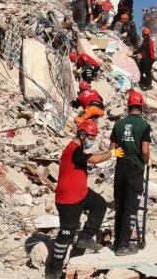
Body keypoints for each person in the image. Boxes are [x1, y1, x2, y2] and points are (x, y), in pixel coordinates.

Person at [45, 119, 117, 279]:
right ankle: (54, 270)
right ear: (82, 135)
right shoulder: (74, 150)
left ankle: (85, 238)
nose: (92, 141)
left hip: (81, 193)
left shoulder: (77, 149)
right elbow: (94, 160)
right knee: (66, 234)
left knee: (99, 205)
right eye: (90, 138)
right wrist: (112, 154)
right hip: (68, 199)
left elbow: (93, 158)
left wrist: (111, 149)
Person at [110, 90, 151, 256]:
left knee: (120, 205)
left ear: (128, 106)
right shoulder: (144, 126)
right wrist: (147, 160)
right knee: (131, 208)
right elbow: (145, 150)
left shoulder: (118, 124)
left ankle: (117, 242)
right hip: (135, 169)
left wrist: (122, 152)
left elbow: (112, 149)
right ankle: (124, 246)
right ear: (141, 106)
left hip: (120, 167)